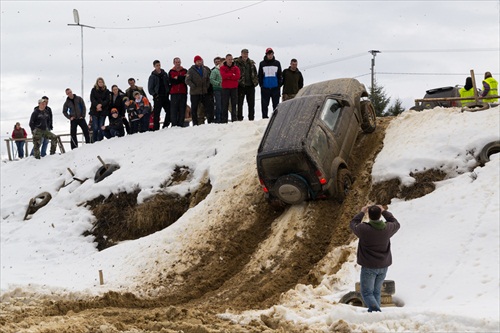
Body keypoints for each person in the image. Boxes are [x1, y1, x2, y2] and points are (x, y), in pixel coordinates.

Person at [350, 204, 400, 313]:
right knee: (376, 292)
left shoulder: (364, 229)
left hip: (369, 267)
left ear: (369, 215)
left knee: (367, 293)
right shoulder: (387, 228)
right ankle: (375, 314)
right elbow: (396, 223)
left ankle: (376, 311)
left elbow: (353, 223)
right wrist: (384, 211)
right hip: (383, 266)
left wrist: (362, 212)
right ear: (380, 215)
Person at [185, 55, 214, 125]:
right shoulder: (191, 70)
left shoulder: (204, 70)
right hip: (195, 93)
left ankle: (210, 121)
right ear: (195, 62)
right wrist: (193, 86)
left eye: (200, 61)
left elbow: (208, 79)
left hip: (204, 92)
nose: (199, 62)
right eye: (198, 61)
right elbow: (187, 80)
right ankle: (195, 123)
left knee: (207, 107)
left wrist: (206, 86)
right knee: (194, 108)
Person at [258, 47, 282, 118]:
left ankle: (276, 118)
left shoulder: (277, 63)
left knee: (276, 105)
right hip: (265, 88)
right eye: (269, 54)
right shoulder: (262, 63)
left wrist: (279, 85)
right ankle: (264, 118)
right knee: (265, 105)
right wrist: (261, 85)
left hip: (275, 88)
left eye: (271, 54)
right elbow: (260, 75)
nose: (270, 55)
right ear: (266, 55)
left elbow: (280, 75)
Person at [235, 48, 258, 121]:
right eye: (244, 53)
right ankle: (239, 118)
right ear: (241, 54)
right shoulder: (236, 63)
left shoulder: (251, 63)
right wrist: (238, 81)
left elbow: (255, 73)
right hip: (241, 86)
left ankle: (251, 118)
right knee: (240, 104)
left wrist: (255, 82)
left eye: (247, 53)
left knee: (251, 104)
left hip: (250, 86)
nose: (245, 55)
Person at [148, 60, 171, 130]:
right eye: (157, 65)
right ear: (154, 66)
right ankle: (156, 128)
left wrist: (168, 91)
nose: (158, 67)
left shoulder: (164, 74)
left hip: (165, 95)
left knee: (169, 110)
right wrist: (154, 95)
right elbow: (150, 88)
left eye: (159, 65)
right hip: (157, 96)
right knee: (157, 113)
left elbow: (168, 83)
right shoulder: (152, 76)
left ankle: (166, 125)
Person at [220, 53, 241, 123]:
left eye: (231, 59)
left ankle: (234, 119)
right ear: (226, 60)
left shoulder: (236, 68)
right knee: (225, 104)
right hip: (225, 88)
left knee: (234, 104)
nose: (230, 61)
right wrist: (232, 74)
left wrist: (229, 76)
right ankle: (224, 120)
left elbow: (237, 76)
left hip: (234, 88)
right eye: (228, 59)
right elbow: (223, 76)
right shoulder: (222, 68)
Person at [90, 77, 110, 142]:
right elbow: (92, 99)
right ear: (97, 83)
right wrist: (97, 105)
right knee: (95, 127)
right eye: (99, 82)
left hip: (103, 111)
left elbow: (107, 100)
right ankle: (94, 141)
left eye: (101, 82)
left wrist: (101, 105)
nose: (100, 83)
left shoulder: (106, 91)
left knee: (101, 127)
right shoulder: (93, 90)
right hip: (94, 111)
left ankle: (100, 141)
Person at [169, 57, 188, 127]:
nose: (178, 63)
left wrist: (178, 78)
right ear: (174, 63)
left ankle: (181, 124)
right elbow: (171, 81)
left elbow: (185, 80)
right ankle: (174, 124)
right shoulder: (171, 71)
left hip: (183, 92)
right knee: (174, 109)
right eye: (176, 62)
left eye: (179, 62)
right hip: (174, 93)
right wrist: (181, 78)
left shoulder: (185, 70)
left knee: (182, 108)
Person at [210, 56, 223, 123]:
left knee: (224, 104)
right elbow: (211, 79)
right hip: (217, 89)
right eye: (216, 62)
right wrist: (218, 84)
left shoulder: (224, 69)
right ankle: (218, 119)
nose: (217, 63)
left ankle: (223, 118)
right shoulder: (214, 70)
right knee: (218, 105)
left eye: (219, 62)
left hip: (225, 89)